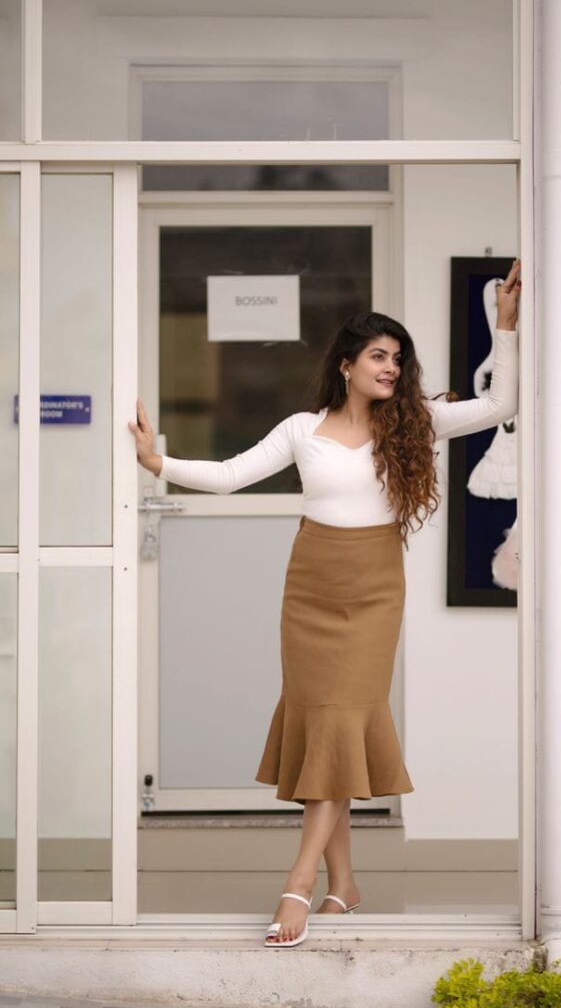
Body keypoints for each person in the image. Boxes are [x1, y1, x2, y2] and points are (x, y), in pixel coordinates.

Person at [129, 258, 521, 949]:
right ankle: (345, 883)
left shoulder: (416, 423)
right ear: (345, 364)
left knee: (341, 723)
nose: (391, 368)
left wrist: (507, 330)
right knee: (321, 728)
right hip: (309, 588)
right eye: (378, 355)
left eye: (398, 358)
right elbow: (225, 477)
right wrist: (159, 465)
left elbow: (499, 406)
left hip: (374, 591)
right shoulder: (300, 428)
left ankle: (298, 883)